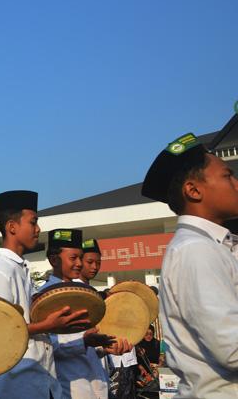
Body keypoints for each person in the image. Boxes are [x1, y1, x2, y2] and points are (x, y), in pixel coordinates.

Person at [140, 132, 238, 398]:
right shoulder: (196, 249)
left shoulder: (214, 246)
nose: (236, 184)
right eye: (228, 176)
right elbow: (231, 348)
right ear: (193, 190)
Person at [0, 191, 90, 399]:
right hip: (12, 387)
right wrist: (47, 326)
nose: (38, 229)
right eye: (33, 222)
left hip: (37, 383)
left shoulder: (21, 269)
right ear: (12, 227)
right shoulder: (0, 273)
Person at [40, 233, 131, 399]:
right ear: (54, 260)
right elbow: (47, 349)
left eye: (81, 258)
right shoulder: (44, 299)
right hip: (70, 388)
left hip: (98, 386)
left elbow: (87, 346)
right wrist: (84, 343)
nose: (79, 264)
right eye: (74, 258)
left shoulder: (85, 294)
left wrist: (103, 347)